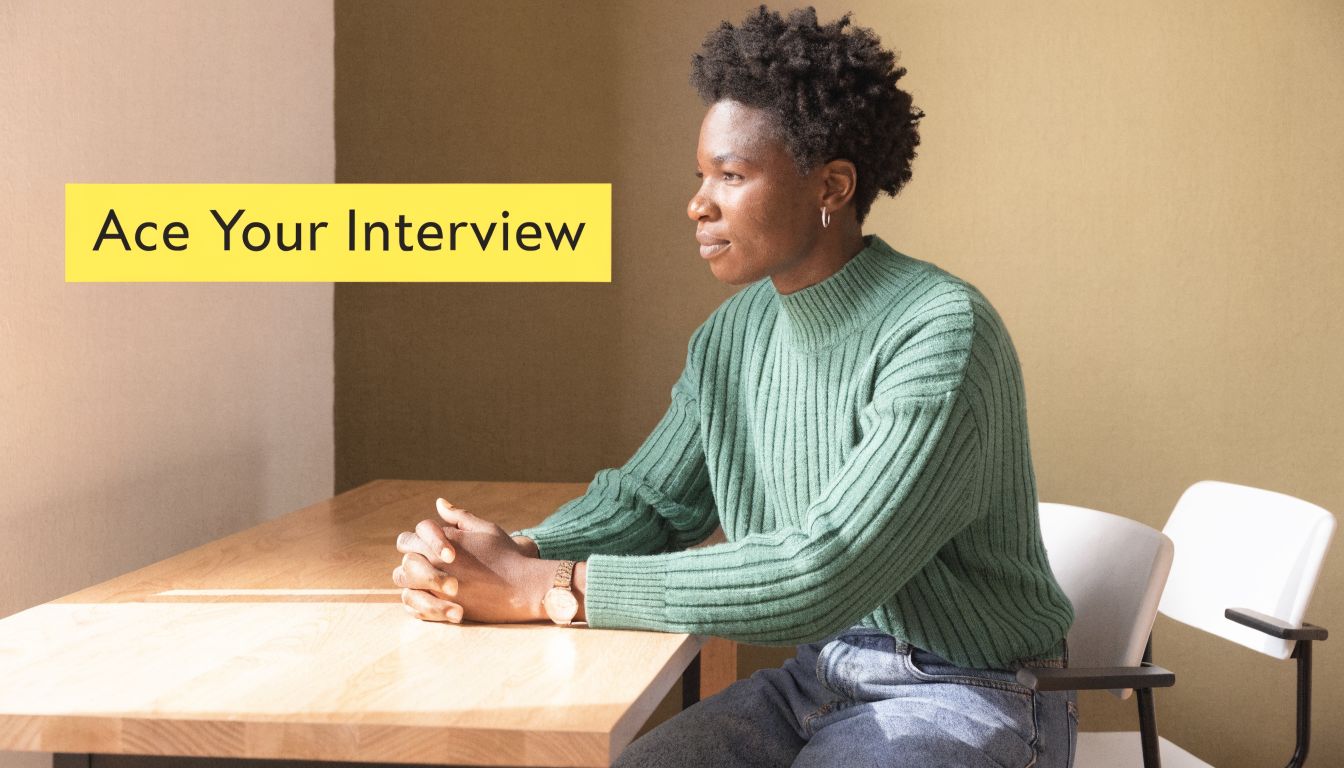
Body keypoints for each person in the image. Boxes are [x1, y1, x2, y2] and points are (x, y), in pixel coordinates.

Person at [393, 6, 1077, 766]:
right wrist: (502, 557)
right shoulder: (736, 332)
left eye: (732, 175)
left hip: (969, 692)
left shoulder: (941, 330)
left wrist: (549, 588)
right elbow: (650, 505)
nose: (698, 203)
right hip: (814, 682)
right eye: (700, 176)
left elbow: (825, 570)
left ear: (833, 186)